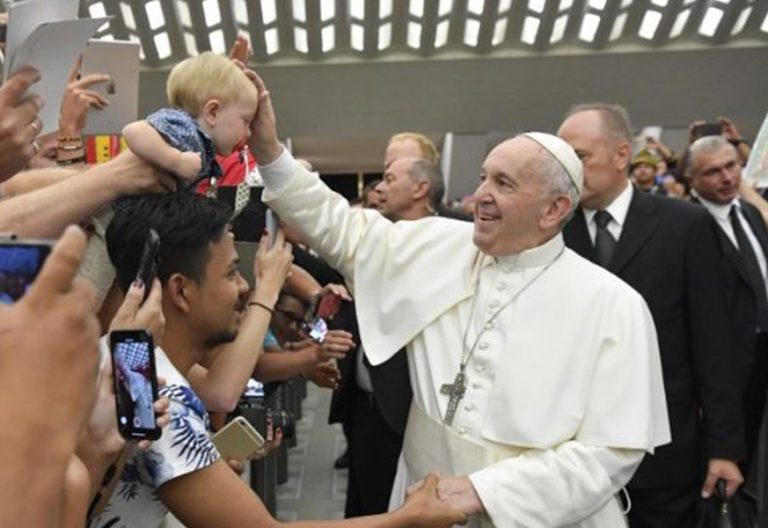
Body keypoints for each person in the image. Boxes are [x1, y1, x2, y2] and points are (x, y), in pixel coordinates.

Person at [249, 72, 668, 526]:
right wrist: (269, 150)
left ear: (554, 210)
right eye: (484, 178)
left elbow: (610, 451)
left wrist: (484, 492)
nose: (482, 195)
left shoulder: (614, 305)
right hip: (422, 497)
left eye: (504, 184)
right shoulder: (437, 244)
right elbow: (340, 227)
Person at [96, 191, 464, 528]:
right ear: (181, 291)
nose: (243, 287)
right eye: (230, 274)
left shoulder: (125, 362)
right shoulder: (163, 400)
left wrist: (207, 461)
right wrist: (407, 519)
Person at [559, 103, 745, 527]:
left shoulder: (685, 225)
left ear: (621, 154)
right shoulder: (552, 231)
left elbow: (713, 343)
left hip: (664, 454)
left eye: (580, 156)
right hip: (573, 459)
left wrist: (724, 448)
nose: (569, 169)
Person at [686, 135, 768, 479]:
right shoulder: (687, 225)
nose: (727, 177)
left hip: (761, 351)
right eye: (713, 171)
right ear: (692, 179)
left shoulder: (749, 212)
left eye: (732, 166)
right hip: (724, 363)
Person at [122, 52, 259, 193]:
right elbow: (133, 131)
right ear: (213, 112)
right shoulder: (185, 127)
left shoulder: (205, 148)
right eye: (246, 121)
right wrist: (177, 161)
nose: (248, 132)